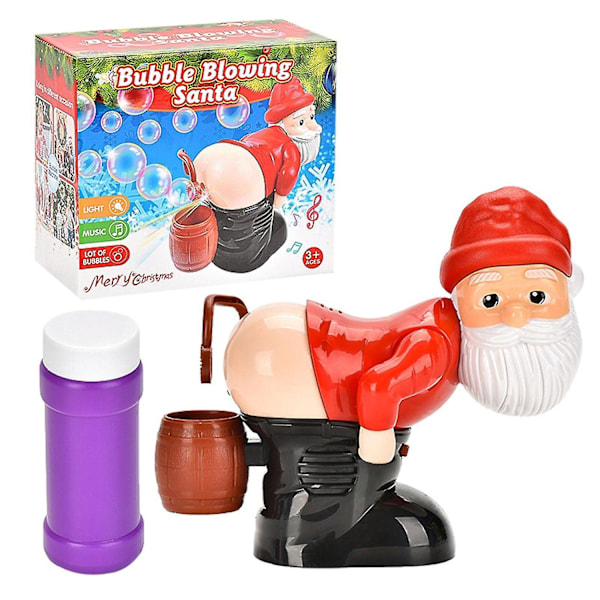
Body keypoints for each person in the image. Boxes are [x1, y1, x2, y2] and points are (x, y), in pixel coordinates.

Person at [207, 187, 582, 567]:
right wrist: (376, 438)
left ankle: (342, 509)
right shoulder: (438, 343)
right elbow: (377, 386)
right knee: (344, 468)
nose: (515, 317)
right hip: (297, 361)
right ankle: (321, 530)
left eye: (537, 298)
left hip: (286, 345)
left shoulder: (446, 330)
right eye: (491, 301)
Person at [187, 77, 322, 273]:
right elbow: (288, 173)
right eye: (301, 121)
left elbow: (243, 143)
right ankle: (244, 259)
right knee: (275, 226)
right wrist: (278, 200)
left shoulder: (257, 135)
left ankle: (213, 247)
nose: (314, 127)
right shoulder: (290, 146)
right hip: (244, 173)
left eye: (311, 117)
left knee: (216, 210)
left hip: (209, 157)